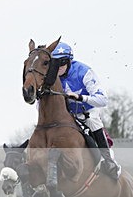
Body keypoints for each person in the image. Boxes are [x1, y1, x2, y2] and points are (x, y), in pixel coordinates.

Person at [52, 42, 121, 180]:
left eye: (63, 62)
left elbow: (102, 99)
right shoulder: (52, 75)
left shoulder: (84, 71)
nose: (59, 67)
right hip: (67, 114)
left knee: (91, 120)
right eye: (55, 63)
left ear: (70, 61)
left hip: (87, 110)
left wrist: (80, 97)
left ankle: (108, 160)